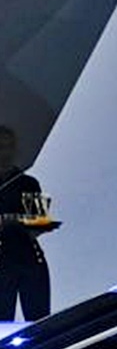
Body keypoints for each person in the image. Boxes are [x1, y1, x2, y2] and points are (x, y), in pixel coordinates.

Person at [0, 124, 51, 321]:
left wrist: (10, 220)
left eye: (9, 147)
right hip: (3, 263)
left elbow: (41, 223)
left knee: (39, 322)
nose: (5, 153)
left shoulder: (28, 182)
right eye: (1, 147)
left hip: (29, 260)